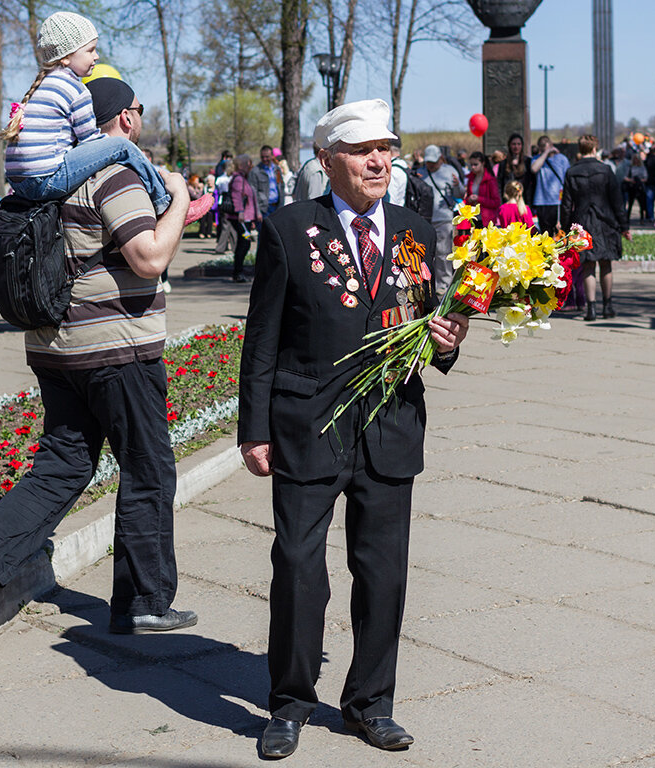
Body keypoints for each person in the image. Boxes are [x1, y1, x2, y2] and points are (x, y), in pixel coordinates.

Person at [237, 98, 468, 759]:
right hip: (306, 428)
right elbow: (261, 339)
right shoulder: (288, 229)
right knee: (299, 572)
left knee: (383, 575)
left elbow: (425, 329)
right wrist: (254, 429)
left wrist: (446, 341)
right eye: (363, 149)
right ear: (328, 159)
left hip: (390, 428)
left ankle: (370, 706)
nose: (377, 159)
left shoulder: (411, 230)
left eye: (386, 148)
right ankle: (288, 705)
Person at [0, 76, 197, 635]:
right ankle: (145, 603)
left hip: (53, 348)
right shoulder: (114, 174)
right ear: (126, 121)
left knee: (64, 464)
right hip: (116, 350)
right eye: (137, 109)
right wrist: (179, 197)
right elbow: (148, 256)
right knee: (148, 468)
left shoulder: (45, 182)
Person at [1, 12, 211, 225]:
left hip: (19, 184)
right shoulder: (75, 89)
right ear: (65, 57)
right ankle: (165, 205)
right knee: (121, 146)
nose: (97, 56)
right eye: (90, 50)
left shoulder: (46, 85)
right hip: (45, 181)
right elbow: (90, 141)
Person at [560, 134, 631, 321]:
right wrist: (624, 225)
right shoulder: (606, 170)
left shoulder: (571, 172)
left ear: (580, 149)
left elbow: (566, 204)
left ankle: (591, 309)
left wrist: (567, 228)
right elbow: (617, 201)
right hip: (606, 221)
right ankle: (608, 306)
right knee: (606, 263)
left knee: (588, 265)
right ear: (594, 149)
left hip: (582, 222)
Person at [417, 144, 463, 293]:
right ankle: (427, 284)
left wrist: (457, 187)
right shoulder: (420, 173)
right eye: (428, 162)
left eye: (433, 162)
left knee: (443, 253)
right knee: (426, 253)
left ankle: (444, 285)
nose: (430, 165)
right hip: (425, 218)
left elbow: (460, 194)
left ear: (440, 159)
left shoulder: (450, 172)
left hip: (443, 218)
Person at [226, 153, 259, 282]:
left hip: (245, 218)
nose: (250, 165)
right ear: (241, 165)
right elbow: (237, 197)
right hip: (240, 219)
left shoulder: (243, 178)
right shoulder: (239, 179)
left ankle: (238, 272)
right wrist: (240, 212)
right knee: (244, 243)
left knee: (244, 243)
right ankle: (237, 272)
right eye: (248, 163)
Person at [530, 136, 569, 234]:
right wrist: (545, 153)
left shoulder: (561, 159)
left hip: (557, 201)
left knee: (558, 232)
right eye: (542, 146)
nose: (544, 148)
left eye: (546, 145)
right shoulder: (536, 159)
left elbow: (567, 178)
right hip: (541, 201)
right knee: (545, 232)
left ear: (551, 145)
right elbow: (534, 169)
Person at [462, 151, 500, 226]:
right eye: (471, 165)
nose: (473, 167)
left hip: (487, 220)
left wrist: (479, 199)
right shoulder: (471, 179)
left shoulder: (490, 180)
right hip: (473, 218)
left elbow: (496, 202)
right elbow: (468, 198)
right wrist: (468, 200)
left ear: (483, 163)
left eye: (475, 164)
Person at [496, 132, 534, 206]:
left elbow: (531, 184)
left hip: (524, 202)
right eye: (514, 144)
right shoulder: (503, 164)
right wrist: (501, 203)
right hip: (508, 202)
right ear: (509, 146)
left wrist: (530, 203)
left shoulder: (528, 162)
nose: (516, 147)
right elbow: (499, 185)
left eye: (519, 144)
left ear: (522, 146)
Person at [251, 145, 284, 217]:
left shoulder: (277, 169)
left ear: (272, 156)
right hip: (264, 209)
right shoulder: (255, 171)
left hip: (277, 207)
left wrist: (282, 205)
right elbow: (253, 193)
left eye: (267, 157)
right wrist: (258, 212)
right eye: (262, 157)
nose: (264, 159)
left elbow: (281, 187)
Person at [626, 152, 649, 223]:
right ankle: (627, 218)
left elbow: (646, 178)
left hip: (640, 187)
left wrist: (639, 180)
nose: (636, 160)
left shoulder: (642, 167)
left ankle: (642, 218)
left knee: (642, 204)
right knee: (630, 204)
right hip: (632, 187)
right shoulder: (630, 167)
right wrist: (631, 180)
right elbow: (625, 177)